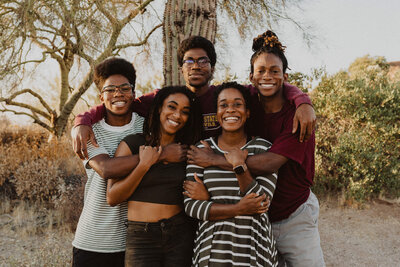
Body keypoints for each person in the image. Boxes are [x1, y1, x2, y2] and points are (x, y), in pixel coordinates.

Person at [186, 31, 325, 267]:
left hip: (293, 213)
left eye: (274, 71)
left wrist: (216, 160)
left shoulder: (297, 118)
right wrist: (98, 112)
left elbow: (269, 163)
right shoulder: (247, 98)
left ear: (285, 76)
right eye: (260, 71)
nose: (267, 76)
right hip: (255, 219)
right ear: (251, 77)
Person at [71, 36, 316, 163]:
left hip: (224, 175)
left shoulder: (228, 97)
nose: (196, 66)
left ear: (212, 68)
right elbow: (120, 100)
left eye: (203, 61)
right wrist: (82, 120)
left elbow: (266, 86)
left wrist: (303, 101)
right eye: (189, 60)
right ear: (181, 68)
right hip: (180, 177)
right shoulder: (165, 99)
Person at [184, 82, 278, 266]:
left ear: (248, 112)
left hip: (254, 247)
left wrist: (239, 166)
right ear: (217, 113)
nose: (230, 110)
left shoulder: (262, 148)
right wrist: (239, 208)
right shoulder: (202, 149)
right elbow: (191, 206)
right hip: (212, 249)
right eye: (224, 105)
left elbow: (261, 203)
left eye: (237, 104)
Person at [106, 86, 202, 267]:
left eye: (185, 112)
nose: (177, 115)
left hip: (179, 233)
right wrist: (144, 164)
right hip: (141, 236)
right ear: (160, 108)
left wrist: (203, 194)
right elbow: (112, 197)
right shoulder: (133, 143)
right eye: (172, 107)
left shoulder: (186, 150)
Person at [71, 57, 144, 267]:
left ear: (134, 93)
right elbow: (105, 168)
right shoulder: (88, 132)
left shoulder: (146, 127)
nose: (118, 94)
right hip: (93, 240)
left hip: (135, 242)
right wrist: (156, 155)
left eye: (124, 88)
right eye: (110, 89)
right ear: (101, 96)